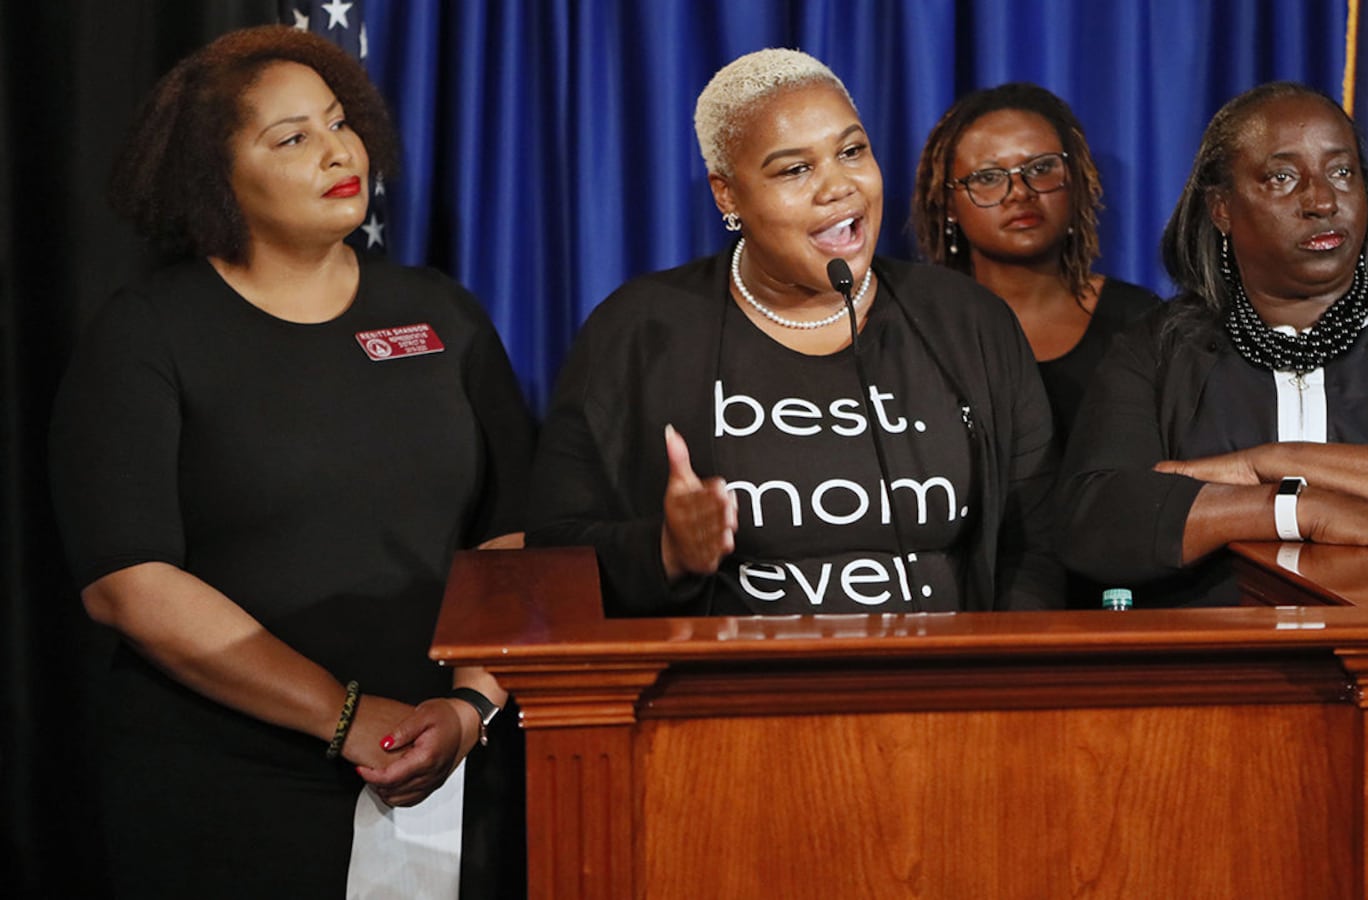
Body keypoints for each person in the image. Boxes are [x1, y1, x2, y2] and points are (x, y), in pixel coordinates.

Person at [48, 26, 533, 898]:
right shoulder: (148, 334)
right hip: (229, 788)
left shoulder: (441, 314)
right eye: (292, 138)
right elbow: (127, 581)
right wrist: (343, 717)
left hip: (447, 766)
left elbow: (513, 533)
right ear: (214, 176)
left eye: (339, 121)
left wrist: (470, 706)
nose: (337, 150)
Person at [1059, 81, 1368, 898]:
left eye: (1343, 173)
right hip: (1213, 729)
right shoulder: (1160, 349)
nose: (1323, 200)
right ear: (1221, 208)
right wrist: (1293, 506)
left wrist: (1269, 459)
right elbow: (1095, 517)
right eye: (1281, 178)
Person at [526, 49, 1062, 616]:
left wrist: (1001, 682)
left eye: (852, 151)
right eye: (795, 169)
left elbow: (1037, 542)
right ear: (726, 194)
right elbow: (552, 546)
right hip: (716, 697)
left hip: (943, 695)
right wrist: (665, 551)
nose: (838, 187)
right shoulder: (640, 329)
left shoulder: (967, 321)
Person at [912, 82, 1160, 453]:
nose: (1020, 192)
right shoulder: (915, 329)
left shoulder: (1143, 323)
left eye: (1041, 168)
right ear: (948, 204)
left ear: (1074, 181)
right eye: (988, 177)